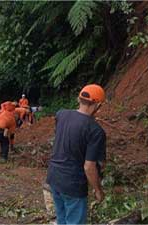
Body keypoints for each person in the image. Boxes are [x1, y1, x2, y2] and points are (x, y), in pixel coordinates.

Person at [46, 84, 106, 225]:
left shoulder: (61, 114)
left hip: (54, 177)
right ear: (98, 105)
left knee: (62, 220)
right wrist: (98, 190)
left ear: (79, 99)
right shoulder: (96, 131)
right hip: (73, 184)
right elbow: (89, 166)